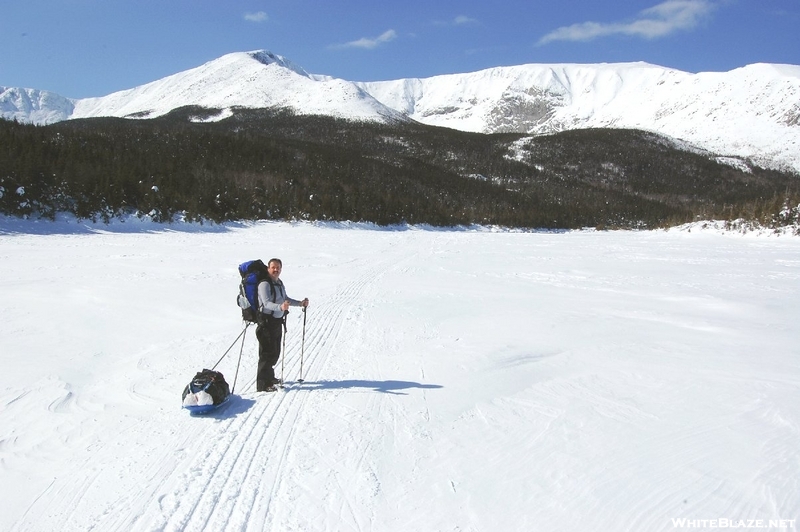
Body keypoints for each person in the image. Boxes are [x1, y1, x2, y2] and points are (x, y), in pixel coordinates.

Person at [256, 258, 309, 392]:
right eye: (273, 267)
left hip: (276, 322)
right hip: (266, 323)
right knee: (266, 354)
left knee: (274, 352)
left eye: (278, 267)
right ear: (268, 268)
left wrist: (300, 303)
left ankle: (270, 377)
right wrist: (280, 307)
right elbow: (266, 303)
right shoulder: (264, 284)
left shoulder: (279, 283)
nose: (276, 270)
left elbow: (286, 300)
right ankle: (263, 384)